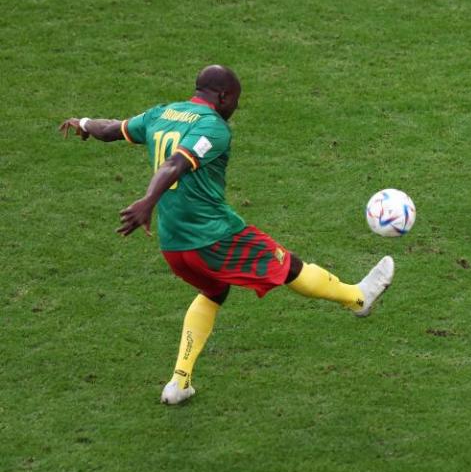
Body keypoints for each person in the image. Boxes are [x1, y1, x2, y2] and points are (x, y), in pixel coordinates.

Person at [59, 65, 395, 405]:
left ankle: (179, 382)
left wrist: (84, 123)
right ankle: (358, 299)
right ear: (224, 96)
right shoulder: (213, 127)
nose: (235, 107)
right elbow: (174, 164)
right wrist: (148, 201)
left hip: (174, 244)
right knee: (289, 267)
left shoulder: (163, 113)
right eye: (235, 100)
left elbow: (114, 129)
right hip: (214, 237)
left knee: (214, 291)